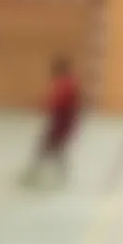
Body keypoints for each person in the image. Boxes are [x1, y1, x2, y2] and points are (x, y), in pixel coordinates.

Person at [22, 57, 80, 188]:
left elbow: (57, 103)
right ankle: (60, 174)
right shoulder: (70, 82)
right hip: (65, 123)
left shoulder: (65, 84)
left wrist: (43, 106)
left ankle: (33, 174)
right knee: (55, 149)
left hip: (60, 123)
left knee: (46, 148)